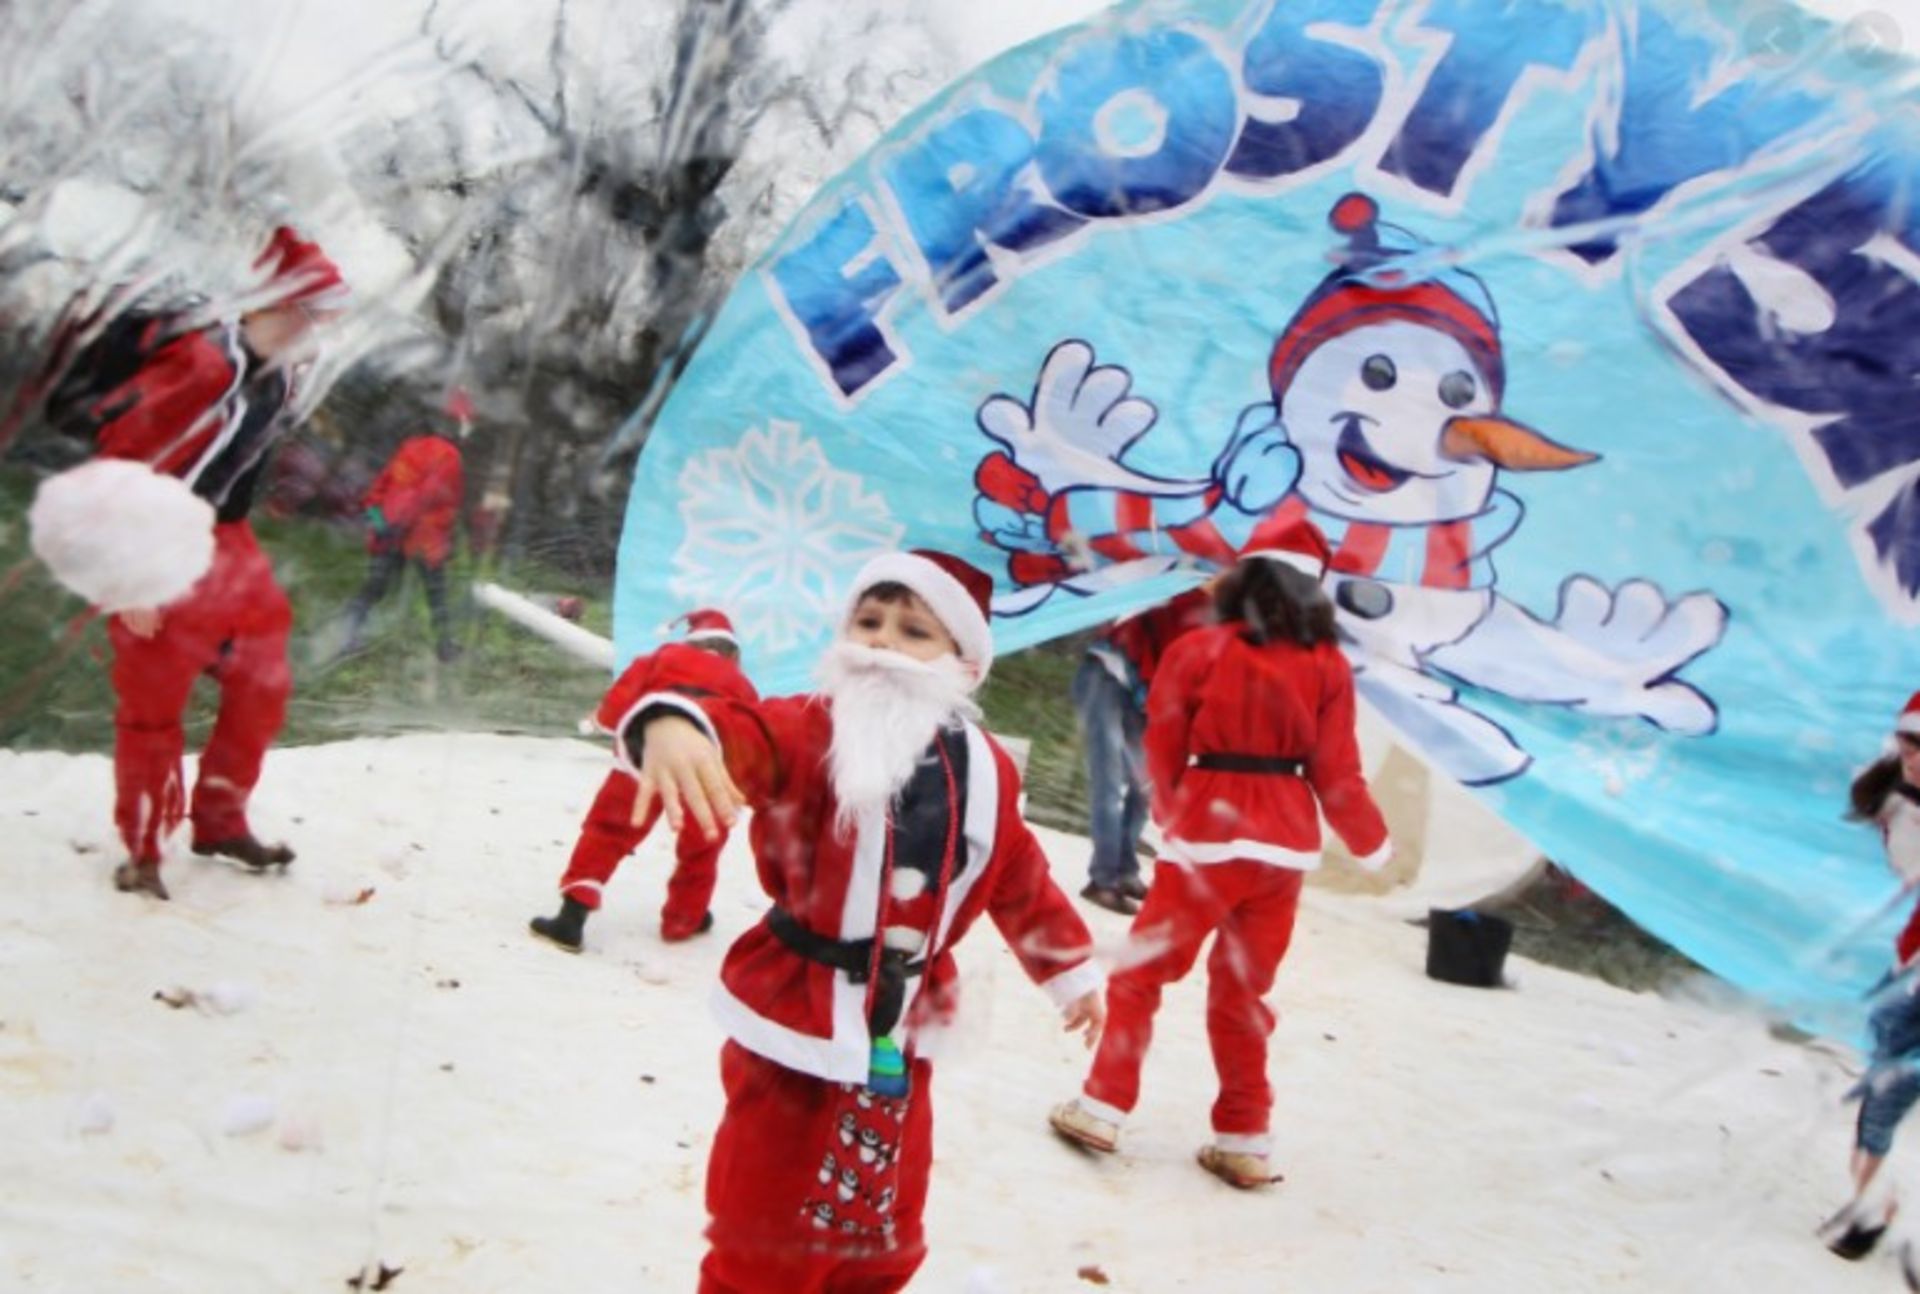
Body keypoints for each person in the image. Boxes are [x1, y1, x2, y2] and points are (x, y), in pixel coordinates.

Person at [625, 548, 1104, 1293]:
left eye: (915, 631)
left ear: (964, 662)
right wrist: (677, 722)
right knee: (765, 1207)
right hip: (798, 1013)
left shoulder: (988, 770)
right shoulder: (812, 728)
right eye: (869, 620)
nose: (882, 641)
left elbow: (1018, 875)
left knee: (882, 1211)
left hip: (905, 1026)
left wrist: (1068, 970)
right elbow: (744, 731)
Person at [1048, 518, 1390, 1189]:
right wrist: (1373, 846)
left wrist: (1176, 813)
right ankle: (1244, 1136)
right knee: (1243, 994)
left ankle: (1103, 1104)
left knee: (1143, 975)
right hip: (1284, 850)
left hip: (1210, 833)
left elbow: (1163, 744)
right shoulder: (1328, 665)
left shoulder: (1199, 647)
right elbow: (1339, 772)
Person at [33, 226, 346, 900]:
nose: (325, 329)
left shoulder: (281, 374)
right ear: (280, 304)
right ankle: (142, 849)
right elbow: (122, 460)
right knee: (154, 698)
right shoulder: (204, 364)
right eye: (317, 313)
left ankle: (218, 822)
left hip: (224, 539)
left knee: (263, 679)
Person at [529, 609, 754, 952]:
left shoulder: (661, 658)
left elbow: (621, 698)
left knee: (606, 833)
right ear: (733, 653)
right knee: (702, 847)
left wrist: (602, 722)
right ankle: (684, 919)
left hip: (642, 761)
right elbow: (749, 736)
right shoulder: (742, 684)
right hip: (703, 775)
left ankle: (572, 915)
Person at [1821, 691, 1920, 1262]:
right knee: (1882, 1091)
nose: (1916, 753)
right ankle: (1869, 1208)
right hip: (1909, 967)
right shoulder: (1890, 796)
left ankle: (1873, 1212)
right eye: (1911, 740)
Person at [1072, 586, 1214, 915]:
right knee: (1109, 783)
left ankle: (1125, 871)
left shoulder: (1226, 616)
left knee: (1144, 787)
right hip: (1105, 675)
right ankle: (1102, 880)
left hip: (1147, 696)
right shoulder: (1182, 586)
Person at [339, 394, 469, 662]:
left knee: (374, 588)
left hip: (390, 533)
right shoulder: (450, 456)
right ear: (457, 424)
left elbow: (374, 494)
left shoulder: (409, 447)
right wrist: (401, 528)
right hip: (422, 539)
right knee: (436, 595)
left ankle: (347, 637)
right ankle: (445, 647)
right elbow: (428, 497)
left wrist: (380, 525)